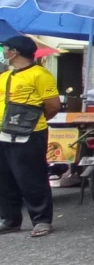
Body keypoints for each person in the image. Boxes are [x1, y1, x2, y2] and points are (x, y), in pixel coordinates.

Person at [0, 36, 60, 237]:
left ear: (15, 51)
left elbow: (52, 105)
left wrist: (33, 121)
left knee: (31, 177)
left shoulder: (40, 74)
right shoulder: (5, 76)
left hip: (30, 134)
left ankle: (41, 220)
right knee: (5, 178)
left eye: (5, 49)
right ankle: (10, 219)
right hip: (3, 133)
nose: (4, 52)